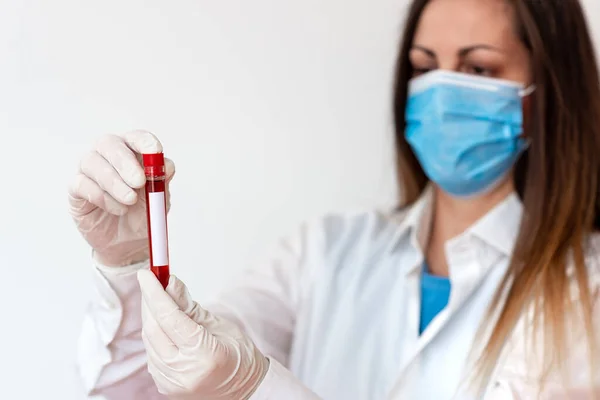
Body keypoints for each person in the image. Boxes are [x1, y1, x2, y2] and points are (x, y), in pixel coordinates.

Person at [70, 0, 600, 398]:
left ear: (549, 92)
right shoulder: (323, 254)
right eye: (423, 66)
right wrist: (129, 267)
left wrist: (255, 384)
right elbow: (149, 388)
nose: (441, 92)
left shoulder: (587, 295)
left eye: (479, 68)